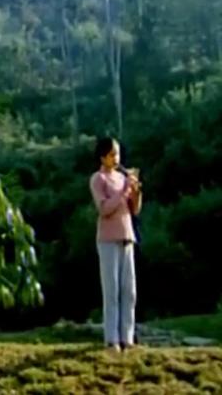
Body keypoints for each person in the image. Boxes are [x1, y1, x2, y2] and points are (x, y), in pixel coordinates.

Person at [89, 137, 142, 352]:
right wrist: (123, 191)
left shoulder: (122, 178)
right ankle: (111, 339)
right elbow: (104, 209)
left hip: (127, 237)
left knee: (129, 291)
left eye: (117, 154)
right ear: (103, 157)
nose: (116, 158)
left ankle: (127, 338)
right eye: (112, 154)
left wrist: (135, 191)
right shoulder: (98, 179)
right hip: (108, 239)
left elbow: (134, 209)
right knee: (111, 291)